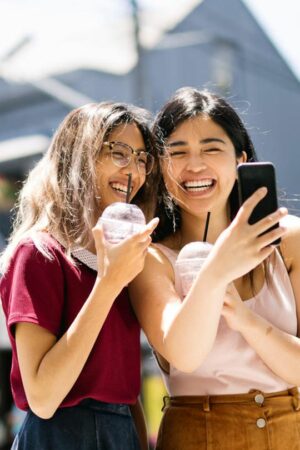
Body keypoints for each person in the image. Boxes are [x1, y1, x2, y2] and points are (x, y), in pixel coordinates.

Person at [129, 87, 300, 450]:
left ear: (240, 159)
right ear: (160, 165)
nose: (194, 166)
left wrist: (246, 320)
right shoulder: (150, 258)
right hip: (197, 437)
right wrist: (217, 271)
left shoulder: (289, 240)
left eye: (211, 148)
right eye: (177, 152)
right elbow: (185, 355)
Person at [0, 101, 160, 450]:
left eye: (141, 157)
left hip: (122, 434)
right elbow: (42, 397)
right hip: (59, 435)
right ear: (79, 155)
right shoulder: (39, 253)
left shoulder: (120, 262)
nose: (133, 168)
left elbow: (126, 392)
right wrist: (108, 284)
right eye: (118, 152)